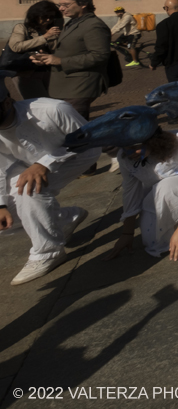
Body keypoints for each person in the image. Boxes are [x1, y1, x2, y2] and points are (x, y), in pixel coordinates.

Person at [0, 73, 96, 285]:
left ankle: (48, 252)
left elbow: (87, 139)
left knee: (28, 190)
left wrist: (45, 163)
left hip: (78, 156)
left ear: (6, 101)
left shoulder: (52, 109)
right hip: (27, 161)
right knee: (7, 212)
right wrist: (1, 204)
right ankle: (64, 219)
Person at [101, 112, 178, 261]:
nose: (130, 153)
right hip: (158, 191)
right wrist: (127, 233)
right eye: (125, 148)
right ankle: (173, 221)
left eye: (135, 147)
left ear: (152, 140)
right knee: (152, 241)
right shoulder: (124, 156)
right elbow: (131, 192)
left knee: (166, 187)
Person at [30, 0, 110, 120]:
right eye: (60, 5)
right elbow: (71, 49)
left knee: (74, 129)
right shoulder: (73, 22)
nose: (61, 9)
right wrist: (47, 58)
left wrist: (59, 61)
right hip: (67, 85)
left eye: (66, 5)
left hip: (80, 86)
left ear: (83, 4)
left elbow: (99, 55)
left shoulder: (93, 25)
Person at [6, 1, 63, 99]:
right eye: (45, 17)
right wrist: (45, 37)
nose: (48, 19)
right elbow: (16, 46)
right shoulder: (22, 28)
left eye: (51, 17)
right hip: (27, 72)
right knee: (40, 102)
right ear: (36, 15)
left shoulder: (54, 29)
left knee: (55, 102)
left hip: (49, 71)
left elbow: (57, 50)